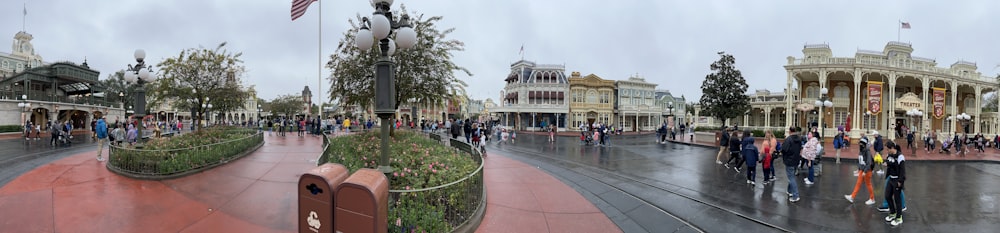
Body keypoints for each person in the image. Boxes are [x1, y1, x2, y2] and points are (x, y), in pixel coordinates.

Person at [844, 134, 876, 205]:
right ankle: (852, 197)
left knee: (868, 184)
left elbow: (869, 162)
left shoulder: (867, 151)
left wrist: (865, 171)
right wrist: (859, 169)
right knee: (858, 184)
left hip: (867, 170)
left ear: (864, 144)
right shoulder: (861, 151)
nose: (860, 145)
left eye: (861, 143)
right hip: (863, 170)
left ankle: (872, 198)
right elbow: (861, 161)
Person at [883, 141, 906, 226]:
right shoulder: (889, 155)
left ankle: (899, 217)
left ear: (892, 148)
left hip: (897, 180)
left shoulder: (900, 156)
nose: (887, 151)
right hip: (891, 178)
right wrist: (886, 163)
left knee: (897, 199)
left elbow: (902, 170)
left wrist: (900, 181)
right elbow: (889, 163)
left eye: (888, 149)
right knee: (887, 196)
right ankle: (892, 212)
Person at [781, 126, 804, 202]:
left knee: (791, 178)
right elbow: (800, 148)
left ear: (790, 131)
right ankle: (789, 191)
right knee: (792, 176)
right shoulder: (799, 139)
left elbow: (784, 149)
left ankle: (795, 195)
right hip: (796, 160)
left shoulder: (789, 139)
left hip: (789, 160)